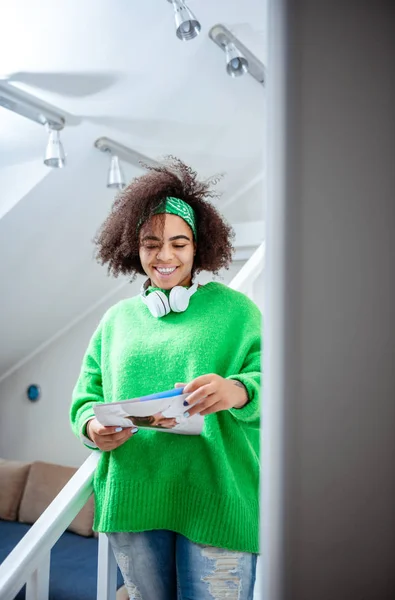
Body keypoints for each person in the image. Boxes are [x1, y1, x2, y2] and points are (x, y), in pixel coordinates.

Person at [70, 158, 261, 600]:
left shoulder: (238, 313)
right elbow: (85, 399)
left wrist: (237, 390)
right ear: (133, 248)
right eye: (151, 243)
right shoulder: (116, 320)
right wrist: (92, 428)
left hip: (217, 498)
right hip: (134, 498)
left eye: (179, 243)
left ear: (199, 247)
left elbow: (278, 386)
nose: (165, 256)